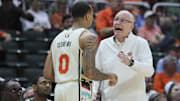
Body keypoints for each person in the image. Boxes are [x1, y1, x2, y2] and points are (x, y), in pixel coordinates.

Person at [43, 1, 118, 101]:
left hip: (59, 89)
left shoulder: (57, 38)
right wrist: (109, 76)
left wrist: (64, 79)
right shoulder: (88, 37)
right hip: (79, 88)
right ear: (88, 16)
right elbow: (90, 72)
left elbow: (47, 74)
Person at [93, 10, 154, 101]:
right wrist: (92, 93)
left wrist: (131, 63)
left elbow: (149, 71)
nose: (118, 23)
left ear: (132, 26)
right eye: (116, 20)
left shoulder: (141, 43)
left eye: (123, 21)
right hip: (109, 98)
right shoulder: (104, 44)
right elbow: (95, 73)